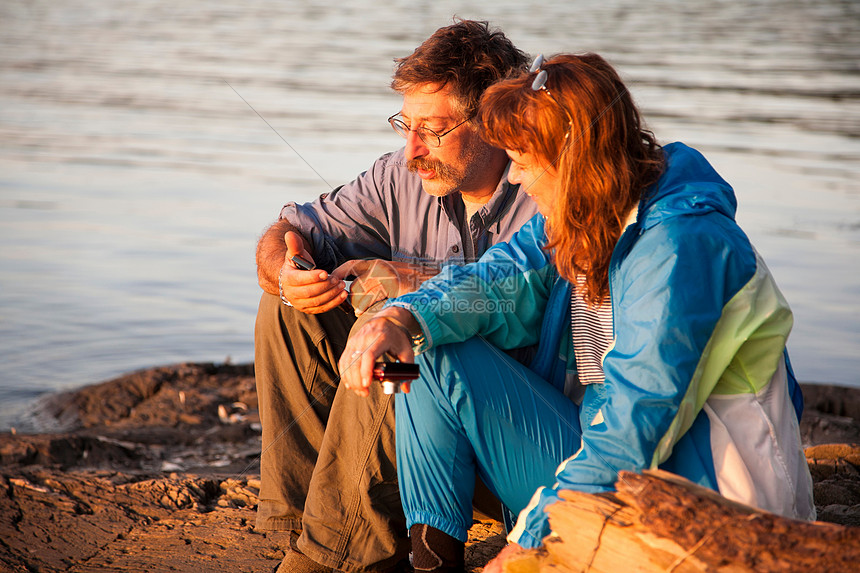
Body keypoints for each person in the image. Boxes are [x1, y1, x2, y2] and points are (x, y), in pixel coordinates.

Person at [339, 53, 816, 571]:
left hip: (705, 501)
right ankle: (432, 561)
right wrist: (400, 318)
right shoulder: (584, 215)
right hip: (599, 463)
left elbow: (636, 427)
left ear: (574, 157)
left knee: (431, 350)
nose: (515, 179)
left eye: (522, 160)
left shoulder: (682, 248)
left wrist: (522, 547)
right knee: (425, 347)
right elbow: (496, 283)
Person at [253, 20, 536, 573]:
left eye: (433, 129)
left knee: (396, 339)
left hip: (504, 432)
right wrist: (286, 270)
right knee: (288, 311)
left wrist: (413, 284)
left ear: (495, 121)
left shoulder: (543, 184)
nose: (411, 150)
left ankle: (338, 557)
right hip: (423, 422)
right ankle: (307, 525)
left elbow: (531, 309)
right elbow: (292, 226)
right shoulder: (402, 175)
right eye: (404, 125)